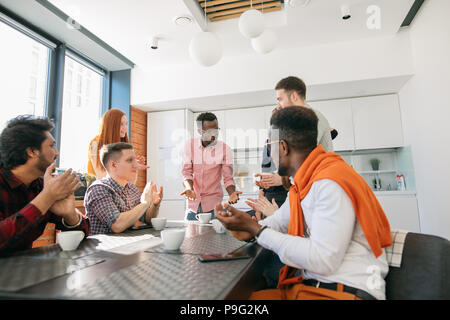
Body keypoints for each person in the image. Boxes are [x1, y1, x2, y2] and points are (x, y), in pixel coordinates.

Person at [216, 106, 392, 300]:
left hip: (345, 291)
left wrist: (256, 230)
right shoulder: (304, 183)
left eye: (269, 145)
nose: (269, 152)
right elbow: (279, 222)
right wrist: (248, 230)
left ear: (282, 147)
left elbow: (323, 260)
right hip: (316, 286)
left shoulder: (330, 182)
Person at [0, 115, 90, 254]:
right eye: (51, 146)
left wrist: (70, 215)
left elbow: (84, 233)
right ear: (32, 151)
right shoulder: (46, 191)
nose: (57, 153)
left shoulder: (41, 186)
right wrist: (47, 197)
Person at [84, 142, 163, 235]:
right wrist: (145, 203)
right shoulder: (98, 189)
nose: (136, 165)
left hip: (127, 246)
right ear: (113, 165)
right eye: (130, 160)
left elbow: (147, 219)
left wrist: (154, 205)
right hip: (104, 248)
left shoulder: (131, 188)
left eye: (135, 160)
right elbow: (117, 225)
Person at [181, 112, 241, 221]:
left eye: (216, 130)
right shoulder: (189, 145)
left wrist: (232, 193)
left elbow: (228, 178)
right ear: (200, 131)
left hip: (214, 207)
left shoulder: (225, 149)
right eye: (210, 131)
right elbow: (186, 172)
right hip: (193, 207)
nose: (214, 134)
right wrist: (189, 188)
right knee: (190, 238)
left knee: (214, 238)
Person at [88, 109, 147, 179]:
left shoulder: (124, 146)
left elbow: (129, 180)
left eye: (126, 124)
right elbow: (101, 175)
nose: (125, 128)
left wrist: (133, 165)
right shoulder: (96, 144)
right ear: (112, 125)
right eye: (121, 124)